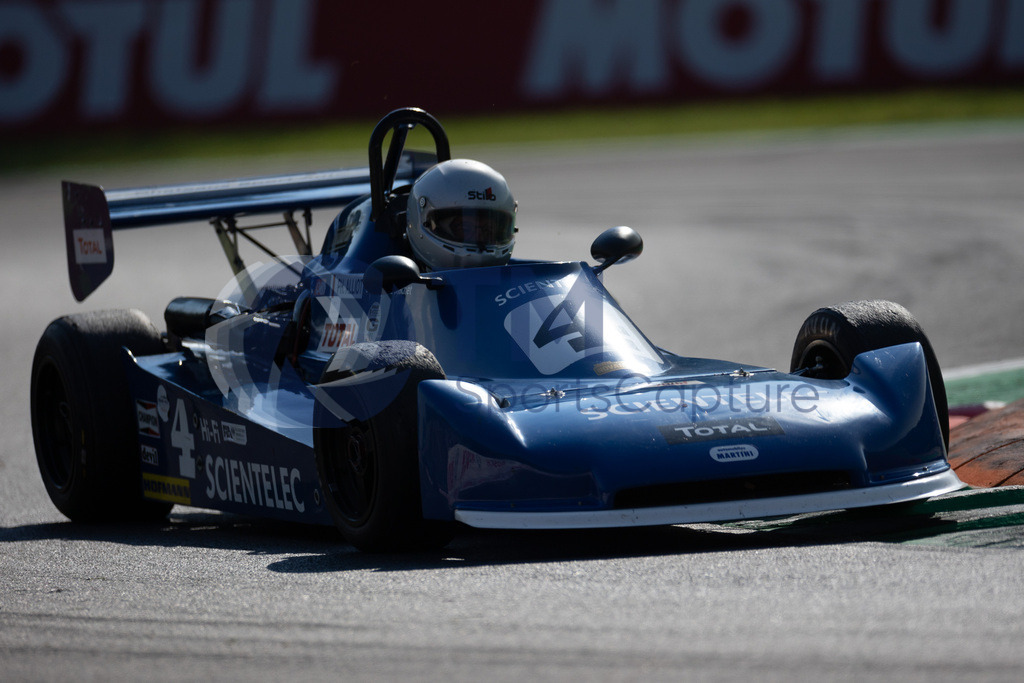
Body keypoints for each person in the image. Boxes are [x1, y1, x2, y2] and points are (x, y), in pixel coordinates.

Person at [405, 159, 517, 271]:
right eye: (465, 228)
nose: (478, 237)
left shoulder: (525, 278)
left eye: (488, 229)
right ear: (424, 222)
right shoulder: (393, 282)